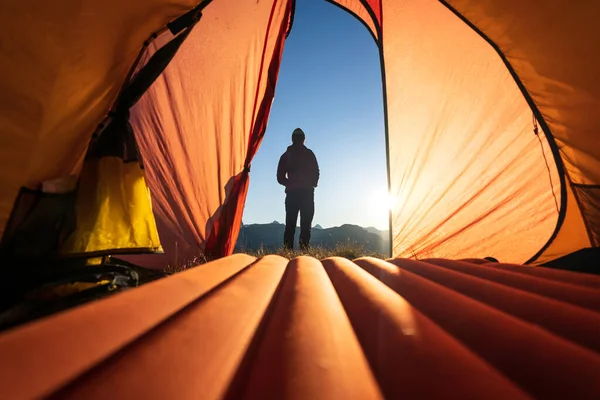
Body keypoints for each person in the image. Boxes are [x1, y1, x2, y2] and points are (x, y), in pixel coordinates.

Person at [277, 128, 320, 250]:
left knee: (290, 225)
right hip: (307, 194)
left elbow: (280, 177)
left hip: (292, 195)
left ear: (292, 139)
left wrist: (289, 184)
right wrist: (313, 184)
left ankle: (287, 253)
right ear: (304, 140)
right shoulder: (309, 154)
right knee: (306, 225)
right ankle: (304, 253)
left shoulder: (285, 156)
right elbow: (316, 171)